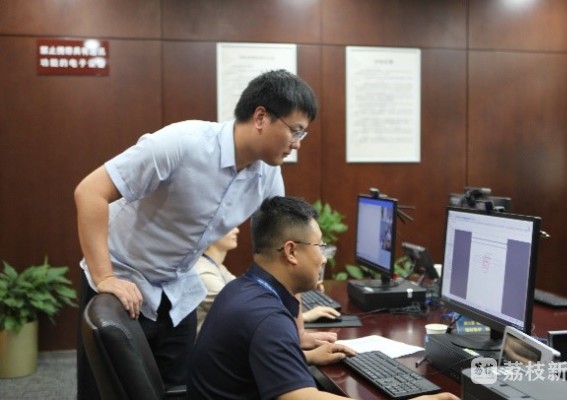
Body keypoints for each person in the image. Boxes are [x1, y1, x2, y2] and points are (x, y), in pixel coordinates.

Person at [73, 69, 318, 400]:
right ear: (261, 117)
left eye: (303, 134)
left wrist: (295, 332)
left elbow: (284, 257)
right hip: (121, 283)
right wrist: (105, 277)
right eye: (295, 130)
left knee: (183, 389)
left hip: (177, 291)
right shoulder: (182, 143)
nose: (297, 144)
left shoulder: (267, 176)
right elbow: (89, 192)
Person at [187, 196, 460, 400]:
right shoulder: (267, 317)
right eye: (320, 246)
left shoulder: (243, 288)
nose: (323, 258)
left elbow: (250, 363)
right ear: (291, 252)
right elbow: (302, 397)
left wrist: (303, 357)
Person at [195, 226, 340, 333]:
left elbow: (248, 294)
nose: (237, 230)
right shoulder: (204, 273)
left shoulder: (216, 267)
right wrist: (303, 312)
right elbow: (249, 310)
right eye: (229, 226)